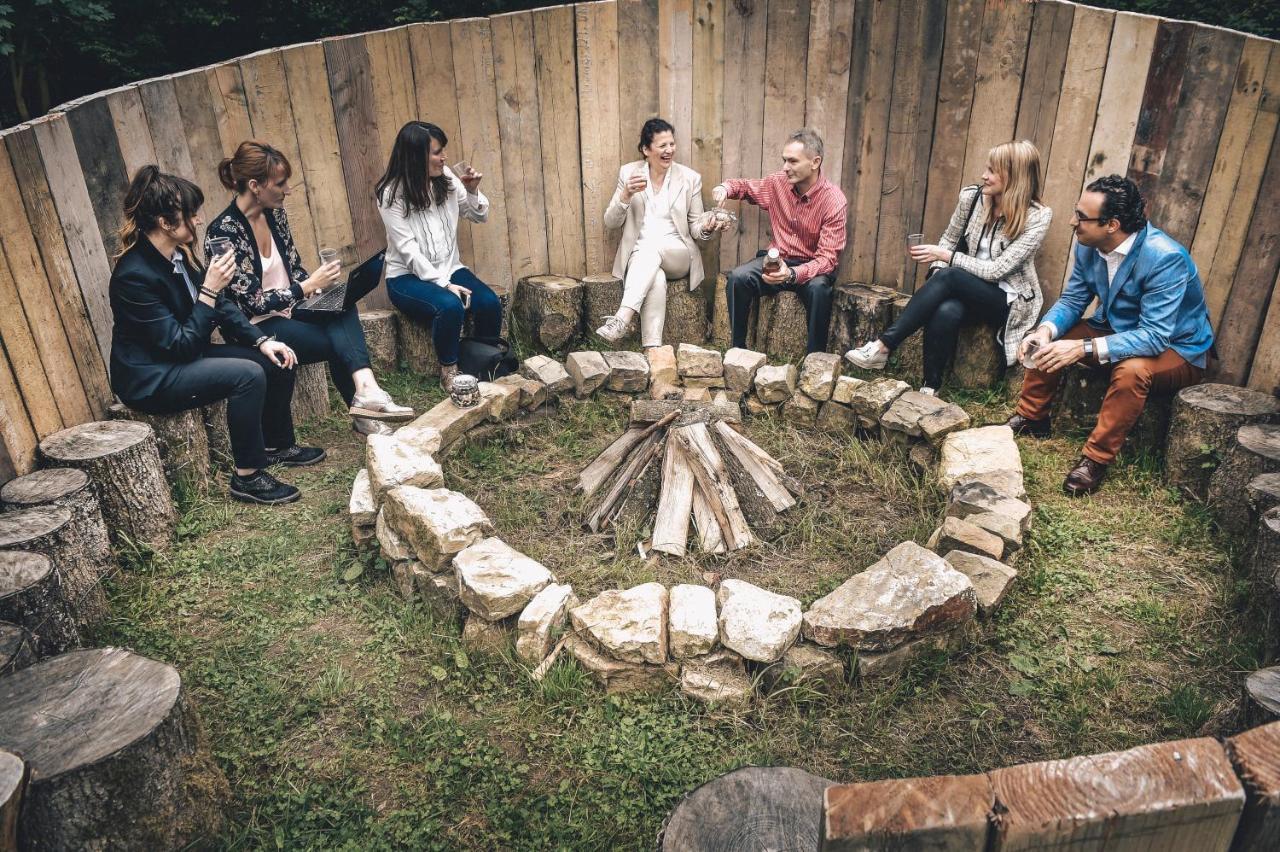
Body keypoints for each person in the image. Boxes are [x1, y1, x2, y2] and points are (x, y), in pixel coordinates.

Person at [108, 166, 309, 505]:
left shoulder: (176, 253)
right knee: (247, 375)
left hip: (184, 355)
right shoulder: (133, 276)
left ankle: (276, 446)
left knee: (274, 360)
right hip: (152, 375)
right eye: (190, 214)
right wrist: (209, 289)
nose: (199, 220)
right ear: (165, 222)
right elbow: (180, 343)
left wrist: (262, 340)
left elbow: (222, 308)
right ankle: (247, 476)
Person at [1007, 174, 1213, 495]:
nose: (1073, 222)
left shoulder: (1166, 258)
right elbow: (1074, 299)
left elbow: (1155, 336)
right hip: (1116, 328)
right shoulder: (1089, 244)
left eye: (1081, 217)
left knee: (1132, 370)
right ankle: (1032, 417)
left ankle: (1095, 460)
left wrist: (1083, 349)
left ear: (1112, 225)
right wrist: (1045, 330)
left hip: (1177, 348)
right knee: (1053, 339)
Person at [204, 141, 413, 436]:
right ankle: (365, 408)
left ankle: (367, 390)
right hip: (257, 326)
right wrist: (306, 286)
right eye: (280, 183)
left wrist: (316, 287)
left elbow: (293, 267)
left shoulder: (275, 213)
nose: (288, 190)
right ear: (255, 185)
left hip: (291, 309)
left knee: (343, 305)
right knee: (337, 343)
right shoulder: (223, 231)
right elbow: (252, 303)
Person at [845, 141, 1051, 395]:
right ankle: (930, 388)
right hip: (965, 287)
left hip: (1008, 298)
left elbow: (997, 270)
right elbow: (950, 238)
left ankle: (884, 345)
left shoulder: (1038, 217)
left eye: (992, 171)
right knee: (946, 309)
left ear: (1015, 176)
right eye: (986, 168)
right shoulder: (973, 198)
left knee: (951, 275)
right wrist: (937, 270)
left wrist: (944, 259)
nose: (984, 176)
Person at [376, 121, 502, 391]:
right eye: (436, 152)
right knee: (449, 306)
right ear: (414, 155)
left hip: (450, 267)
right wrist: (444, 285)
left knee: (489, 303)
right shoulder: (391, 194)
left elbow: (478, 215)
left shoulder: (445, 177)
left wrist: (471, 190)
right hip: (407, 278)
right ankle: (450, 371)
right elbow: (408, 252)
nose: (443, 157)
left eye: (442, 150)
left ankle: (485, 361)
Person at [713, 128, 847, 355]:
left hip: (812, 268)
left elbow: (828, 259)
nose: (785, 167)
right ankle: (738, 350)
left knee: (819, 290)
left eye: (793, 161)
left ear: (815, 162)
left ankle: (815, 359)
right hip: (776, 260)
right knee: (738, 278)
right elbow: (745, 187)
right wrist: (725, 188)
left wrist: (793, 275)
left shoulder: (834, 201)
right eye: (784, 160)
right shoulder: (777, 183)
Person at [596, 118, 723, 345]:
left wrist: (707, 226)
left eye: (672, 144)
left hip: (678, 254)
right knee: (655, 277)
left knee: (650, 250)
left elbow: (695, 227)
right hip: (641, 256)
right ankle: (653, 350)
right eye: (662, 145)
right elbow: (611, 222)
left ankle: (622, 317)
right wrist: (625, 195)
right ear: (646, 150)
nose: (669, 150)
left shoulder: (689, 178)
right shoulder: (629, 174)